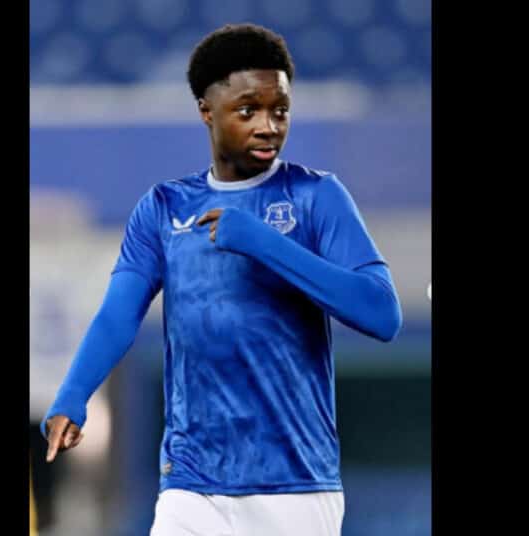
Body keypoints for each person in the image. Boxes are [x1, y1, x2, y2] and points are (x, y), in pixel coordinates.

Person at [41, 23, 402, 536]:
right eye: (248, 110)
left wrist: (263, 242)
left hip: (294, 486)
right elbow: (120, 312)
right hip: (192, 482)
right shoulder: (164, 208)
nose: (268, 127)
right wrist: (73, 393)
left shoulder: (317, 196)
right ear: (206, 111)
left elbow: (382, 314)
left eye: (280, 111)